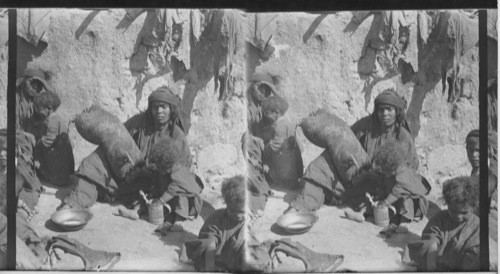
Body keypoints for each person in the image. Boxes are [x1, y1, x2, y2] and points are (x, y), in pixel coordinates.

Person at [286, 89, 418, 214]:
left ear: (397, 111)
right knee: (323, 163)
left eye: (389, 110)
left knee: (404, 200)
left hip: (381, 185)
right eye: (381, 110)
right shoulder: (367, 125)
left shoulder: (403, 137)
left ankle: (365, 205)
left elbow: (409, 171)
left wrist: (380, 174)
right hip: (357, 177)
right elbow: (346, 140)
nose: (384, 114)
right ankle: (302, 206)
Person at [118, 135, 204, 232]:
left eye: (160, 168)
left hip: (186, 202)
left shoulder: (179, 172)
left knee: (181, 199)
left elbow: (172, 190)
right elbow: (157, 184)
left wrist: (160, 200)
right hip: (167, 199)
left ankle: (178, 220)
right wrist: (153, 196)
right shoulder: (161, 170)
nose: (159, 170)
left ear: (168, 164)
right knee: (148, 197)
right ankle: (136, 211)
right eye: (158, 167)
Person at [406, 176, 479, 271]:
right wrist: (432, 269)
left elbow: (474, 249)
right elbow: (431, 240)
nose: (458, 216)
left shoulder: (476, 224)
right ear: (447, 205)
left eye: (464, 213)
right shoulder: (440, 217)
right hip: (437, 260)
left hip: (461, 263)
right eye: (453, 211)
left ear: (473, 208)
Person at [182, 175, 248, 272]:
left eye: (242, 212)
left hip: (235, 257)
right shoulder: (218, 218)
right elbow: (210, 244)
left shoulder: (247, 222)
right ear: (226, 204)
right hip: (214, 256)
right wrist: (211, 269)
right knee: (209, 244)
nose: (238, 215)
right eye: (232, 210)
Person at [124, 86, 191, 166]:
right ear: (151, 109)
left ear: (171, 109)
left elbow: (185, 164)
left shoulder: (176, 135)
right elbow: (120, 134)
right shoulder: (139, 123)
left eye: (163, 107)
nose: (159, 111)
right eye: (155, 107)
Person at [242, 72, 278, 212]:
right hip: (247, 149)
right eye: (260, 88)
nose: (263, 93)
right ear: (252, 86)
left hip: (258, 149)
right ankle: (260, 186)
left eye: (267, 90)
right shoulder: (244, 104)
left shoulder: (260, 107)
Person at [258, 96, 303, 190]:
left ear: (276, 113)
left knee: (269, 156)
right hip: (292, 157)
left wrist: (266, 148)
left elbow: (277, 144)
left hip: (285, 159)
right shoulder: (287, 122)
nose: (266, 116)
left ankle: (284, 182)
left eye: (267, 113)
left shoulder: (280, 125)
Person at [31, 91, 75, 186]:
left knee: (40, 161)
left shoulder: (53, 121)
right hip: (63, 156)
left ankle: (54, 177)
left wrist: (38, 142)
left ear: (49, 108)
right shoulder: (56, 118)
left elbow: (49, 140)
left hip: (57, 158)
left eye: (38, 109)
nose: (37, 111)